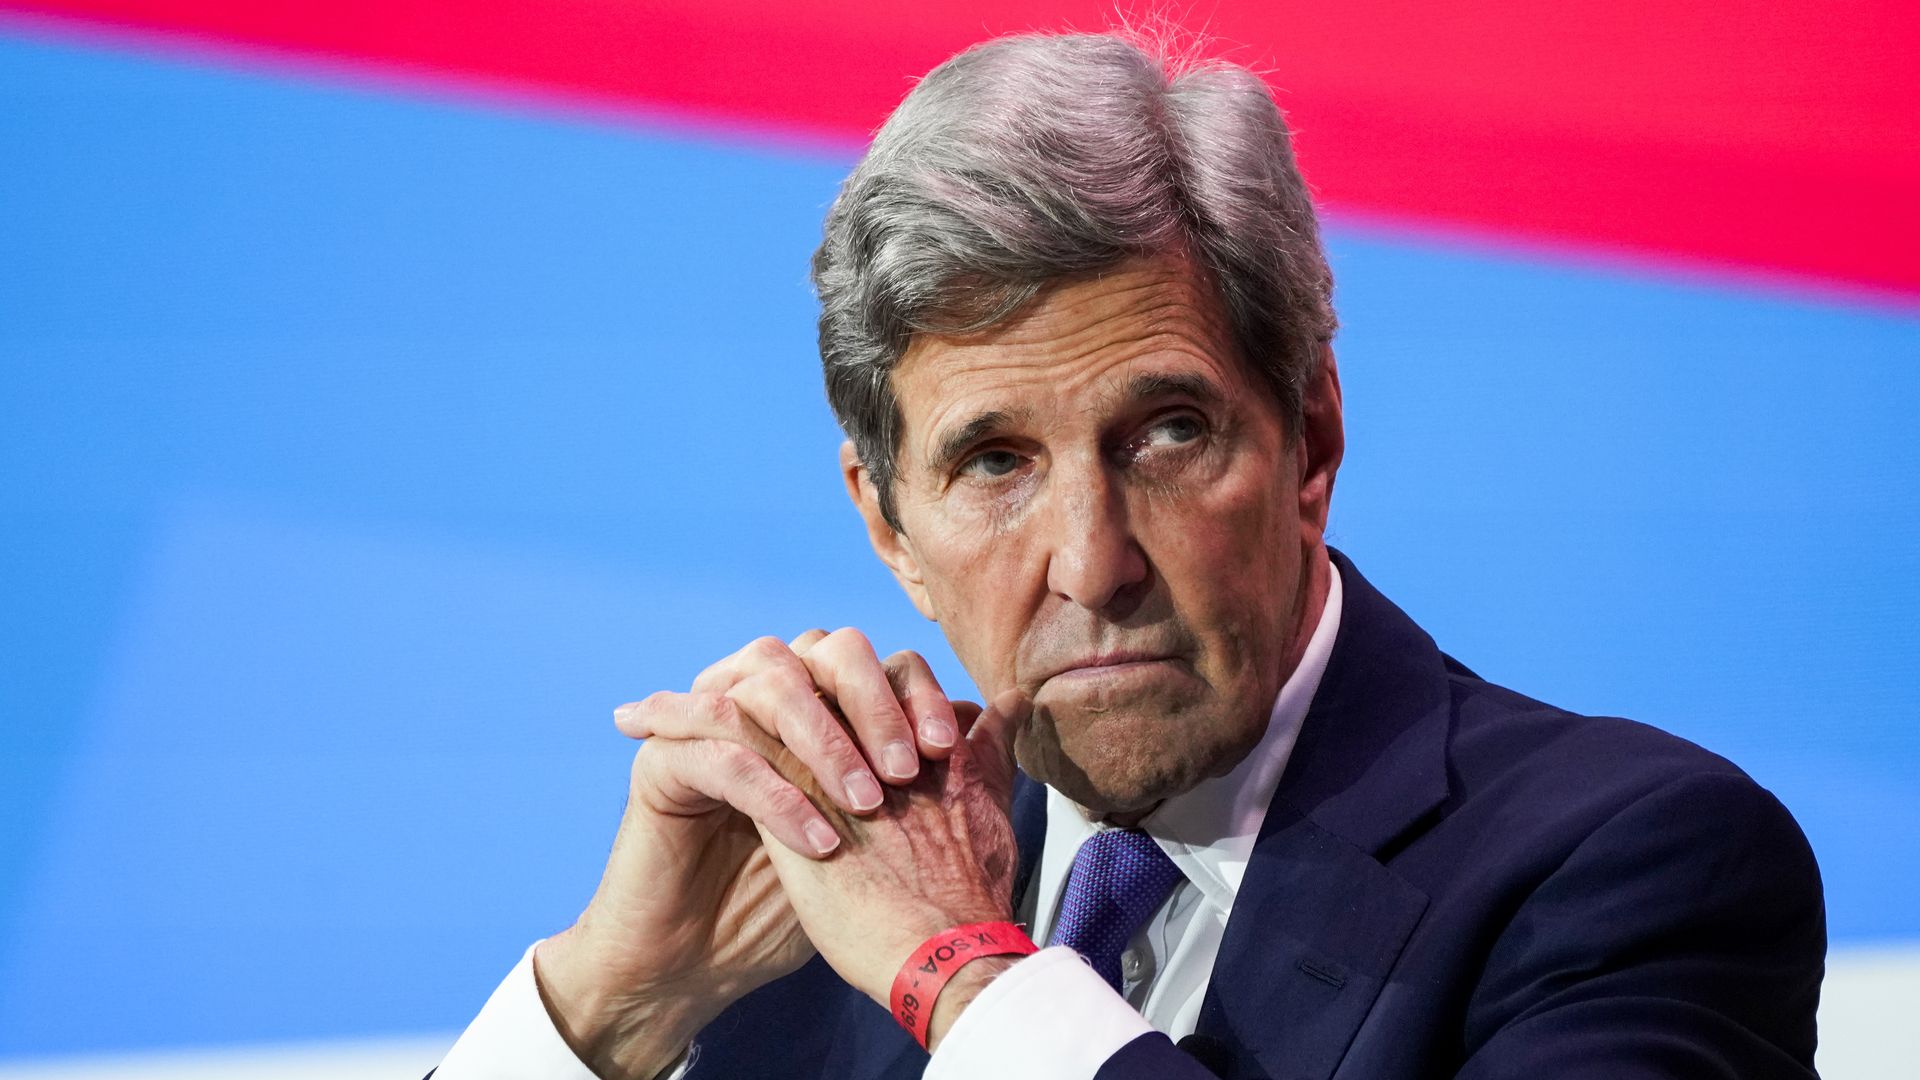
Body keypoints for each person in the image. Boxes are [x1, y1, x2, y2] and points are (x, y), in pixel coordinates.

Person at [431, 29, 1825, 1080]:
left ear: (1312, 439)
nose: (1092, 565)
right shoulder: (802, 942)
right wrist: (613, 1004)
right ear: (886, 521)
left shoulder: (1637, 871)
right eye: (994, 463)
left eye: (1164, 433)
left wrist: (968, 979)